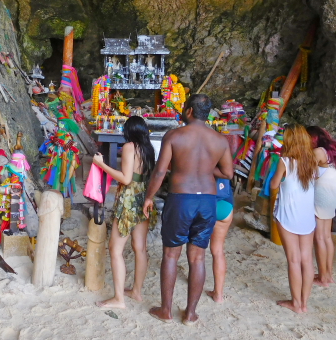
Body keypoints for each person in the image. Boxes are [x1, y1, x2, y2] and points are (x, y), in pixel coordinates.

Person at [143, 94, 233, 325]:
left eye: (184, 107)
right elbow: (228, 174)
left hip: (181, 199)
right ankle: (191, 314)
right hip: (208, 202)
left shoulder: (174, 135)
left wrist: (148, 197)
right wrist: (205, 168)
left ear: (190, 111)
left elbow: (160, 172)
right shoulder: (220, 140)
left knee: (171, 254)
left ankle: (166, 310)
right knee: (198, 258)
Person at [93, 116, 157, 309]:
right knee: (140, 248)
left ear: (129, 131)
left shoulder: (130, 147)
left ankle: (119, 299)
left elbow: (126, 179)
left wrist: (101, 165)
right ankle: (136, 291)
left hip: (129, 200)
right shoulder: (148, 149)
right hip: (144, 198)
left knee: (115, 250)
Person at [270, 125, 317, 314]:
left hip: (288, 214)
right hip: (307, 216)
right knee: (307, 260)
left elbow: (274, 185)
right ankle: (304, 304)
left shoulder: (284, 161)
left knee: (293, 260)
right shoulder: (312, 161)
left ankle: (295, 303)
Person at [306, 126, 336, 287]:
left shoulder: (318, 152)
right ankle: (327, 274)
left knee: (319, 238)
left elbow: (307, 173)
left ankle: (323, 278)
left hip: (320, 196)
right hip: (332, 196)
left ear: (313, 138)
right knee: (327, 237)